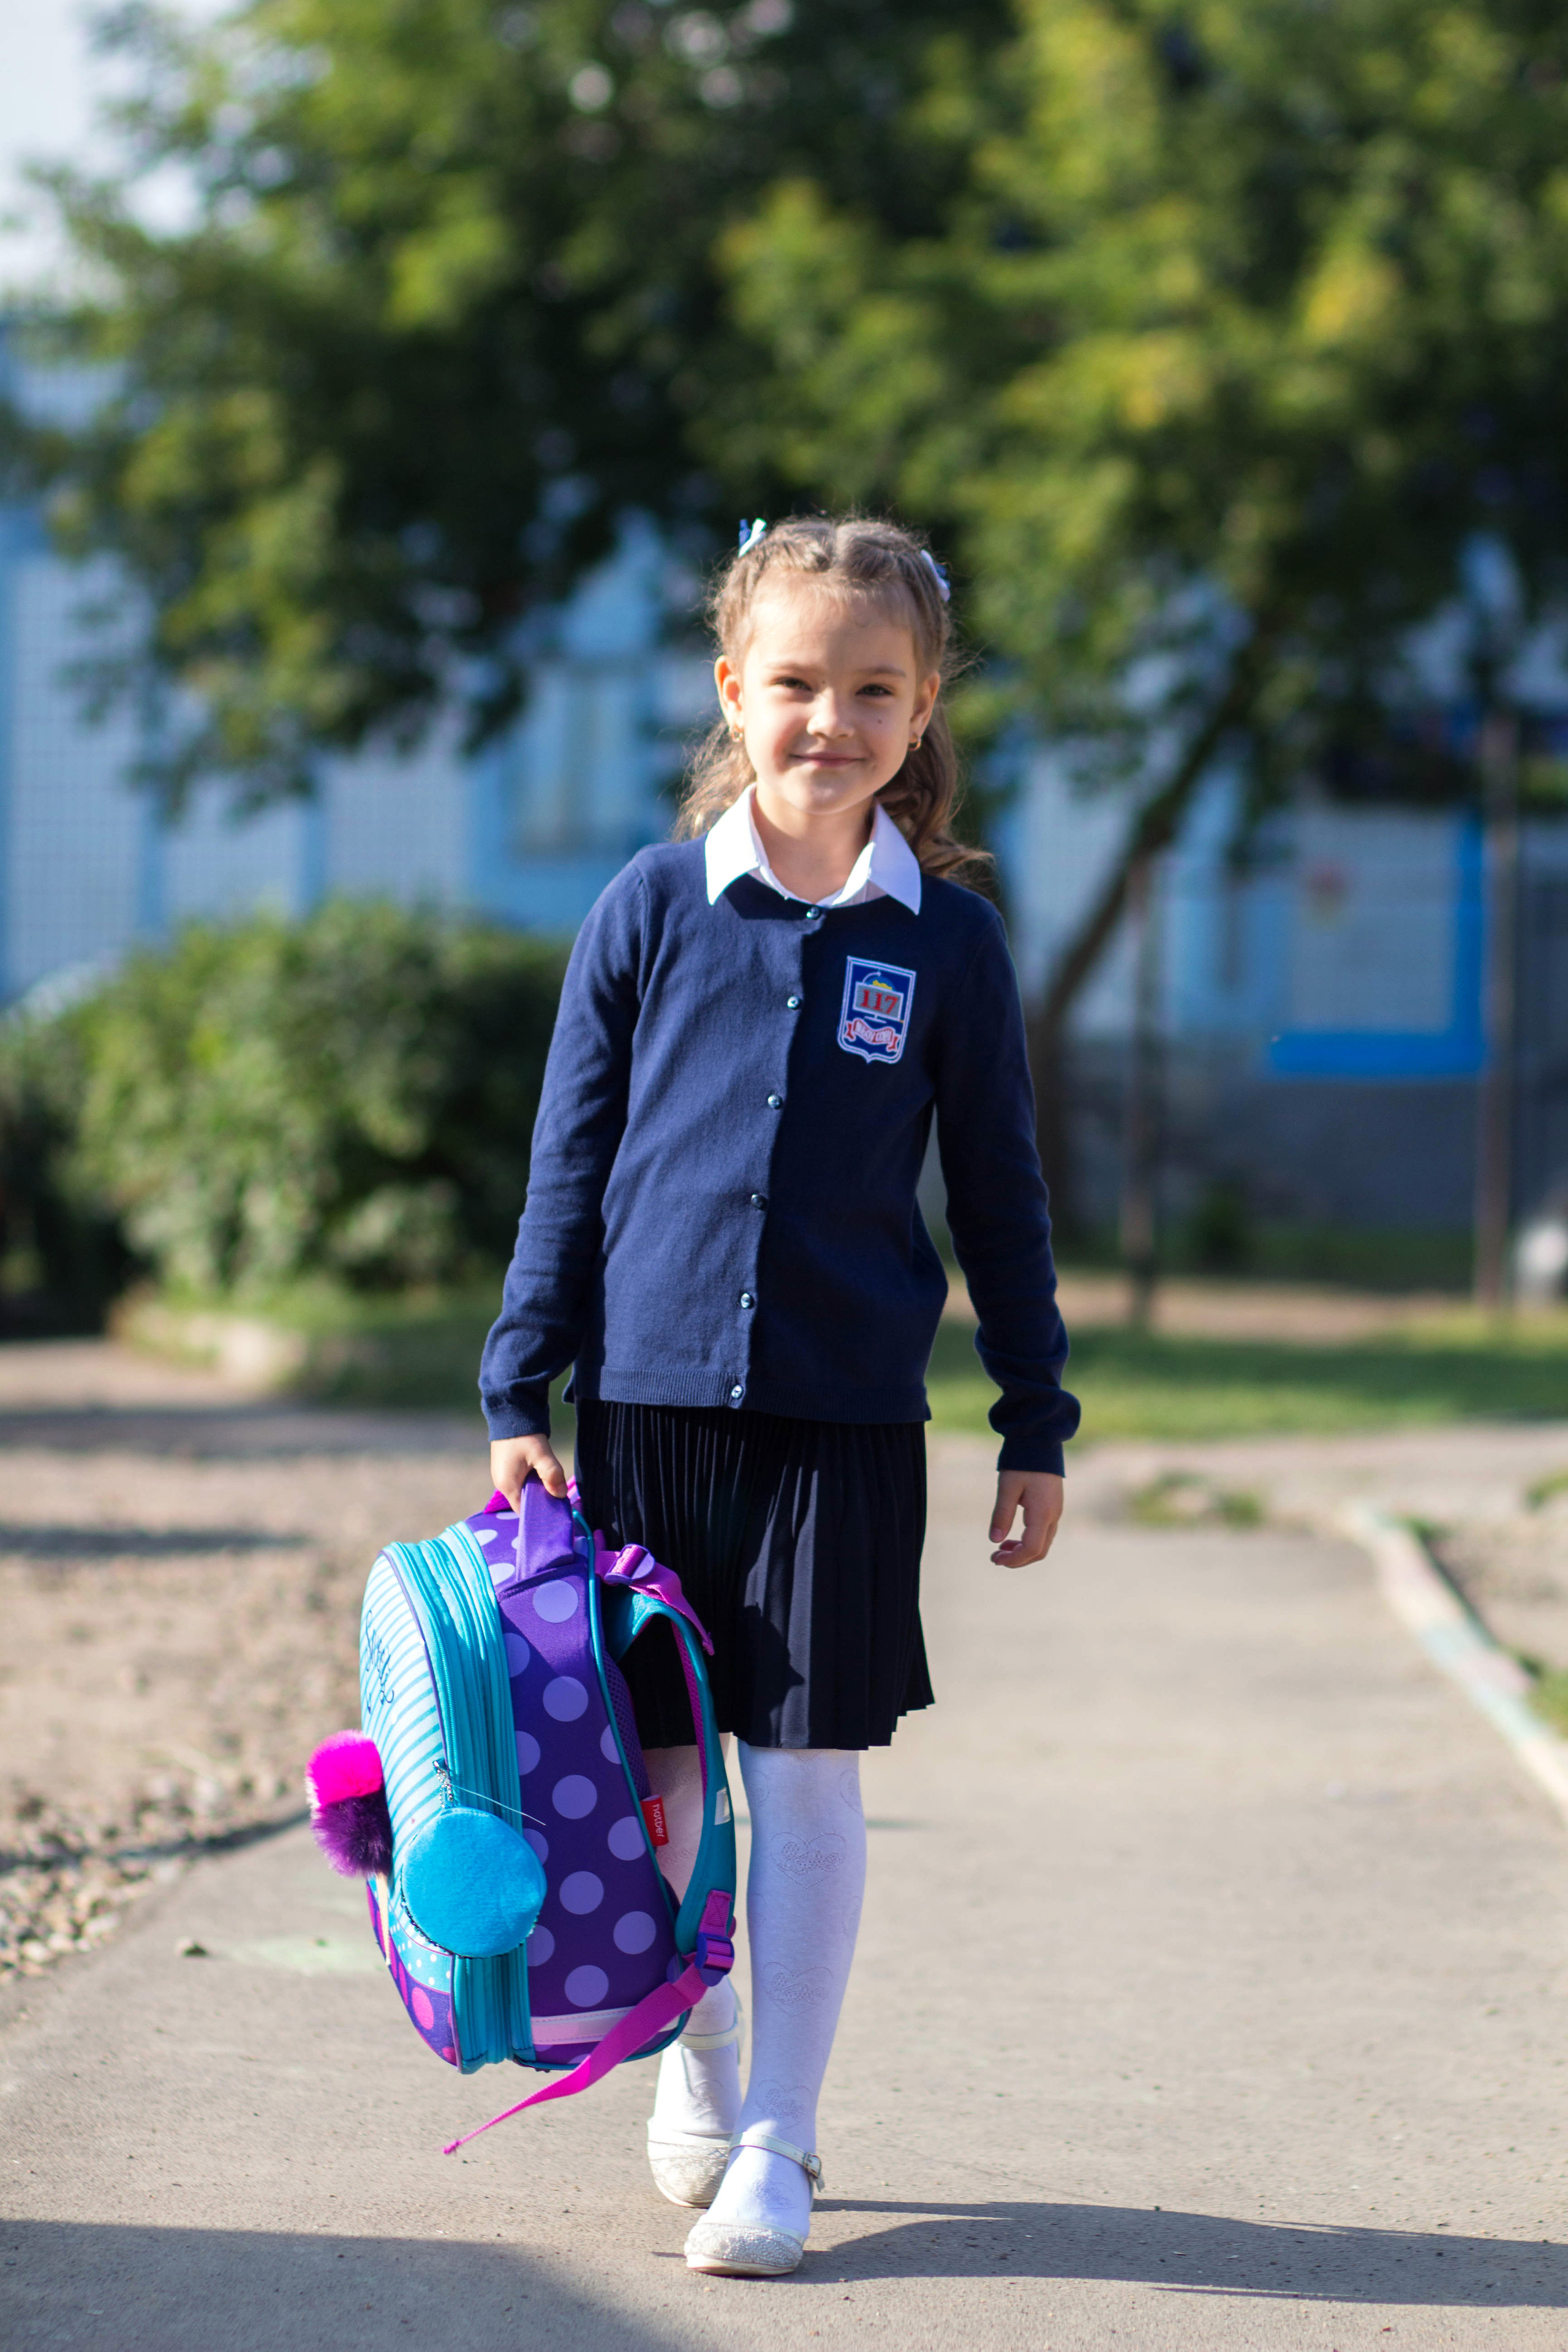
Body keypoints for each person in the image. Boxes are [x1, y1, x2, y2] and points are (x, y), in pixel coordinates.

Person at [481, 513, 1078, 2278]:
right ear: (736, 690)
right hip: (649, 1414)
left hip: (845, 1423)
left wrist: (1032, 1416)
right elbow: (569, 1165)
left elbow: (1002, 1197)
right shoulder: (652, 908)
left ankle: (781, 2140)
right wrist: (520, 1383)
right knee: (663, 1776)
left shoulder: (950, 947)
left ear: (924, 708)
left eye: (876, 689)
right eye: (800, 683)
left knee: (805, 1779)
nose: (835, 719)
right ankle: (702, 2049)